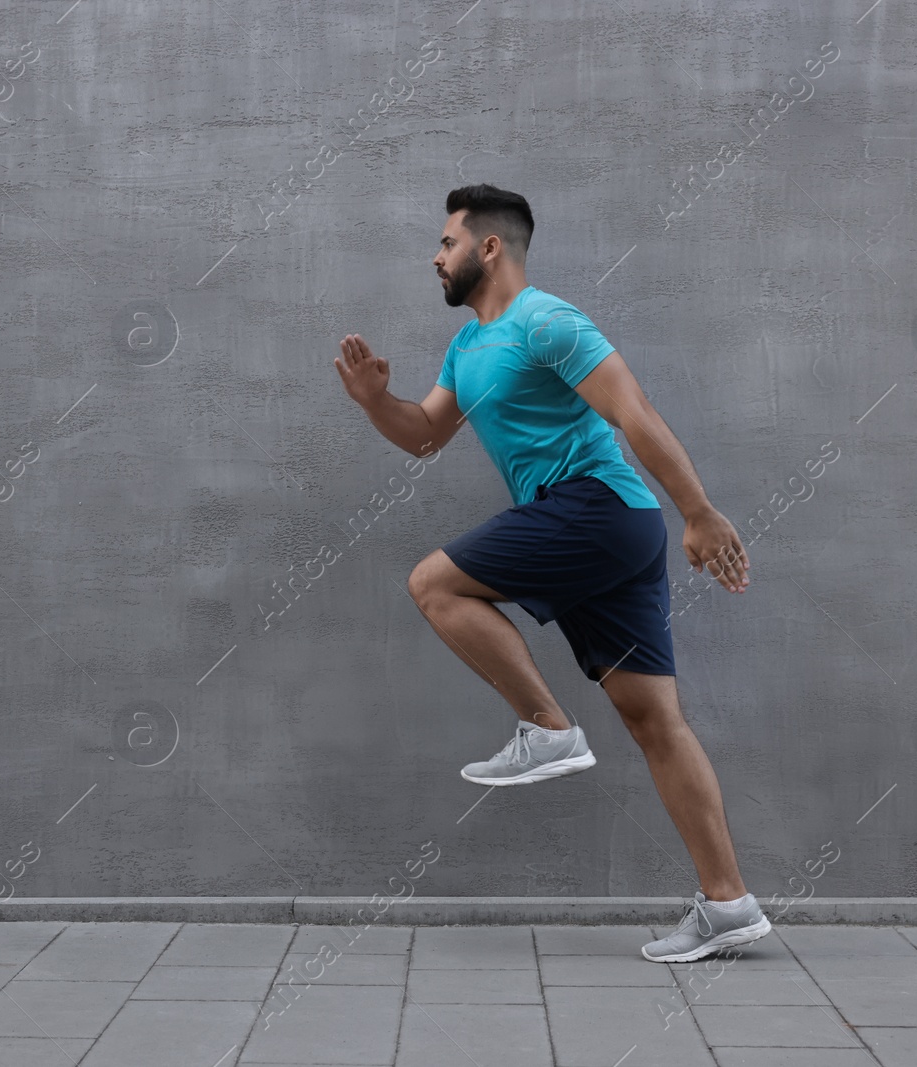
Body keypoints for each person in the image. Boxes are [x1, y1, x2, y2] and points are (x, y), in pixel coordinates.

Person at [333, 184, 769, 962]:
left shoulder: (548, 321)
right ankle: (730, 904)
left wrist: (699, 512)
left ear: (489, 247)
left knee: (434, 583)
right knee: (654, 723)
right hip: (604, 533)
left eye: (445, 243)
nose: (435, 258)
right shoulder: (467, 348)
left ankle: (547, 728)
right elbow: (427, 434)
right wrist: (376, 403)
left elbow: (633, 412)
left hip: (599, 507)